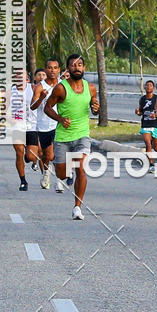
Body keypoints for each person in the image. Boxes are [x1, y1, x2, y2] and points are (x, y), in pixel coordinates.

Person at [44, 54, 99, 220]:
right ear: (68, 69)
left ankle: (77, 207)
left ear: (84, 68)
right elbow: (47, 108)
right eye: (73, 65)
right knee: (61, 174)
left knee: (80, 167)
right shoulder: (61, 88)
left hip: (82, 135)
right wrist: (60, 119)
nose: (77, 68)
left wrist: (96, 108)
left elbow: (94, 106)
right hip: (63, 137)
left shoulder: (90, 88)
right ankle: (64, 172)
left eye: (80, 65)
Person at [30, 58, 61, 190]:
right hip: (44, 125)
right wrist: (42, 98)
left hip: (59, 123)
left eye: (55, 68)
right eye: (49, 68)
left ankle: (60, 181)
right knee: (47, 155)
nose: (52, 70)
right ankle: (46, 173)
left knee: (58, 154)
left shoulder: (63, 85)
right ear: (45, 69)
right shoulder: (40, 87)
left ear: (59, 69)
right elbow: (32, 106)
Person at [10, 71, 41, 191]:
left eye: (21, 77)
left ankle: (30, 159)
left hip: (31, 126)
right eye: (17, 77)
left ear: (26, 78)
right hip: (17, 127)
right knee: (19, 153)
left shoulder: (33, 88)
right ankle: (23, 181)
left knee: (31, 156)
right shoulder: (10, 92)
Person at [136, 79, 157, 171]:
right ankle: (151, 163)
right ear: (145, 87)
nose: (148, 87)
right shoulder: (142, 99)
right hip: (146, 124)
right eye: (147, 85)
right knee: (148, 144)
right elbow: (140, 111)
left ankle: (154, 151)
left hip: (155, 124)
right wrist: (138, 112)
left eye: (150, 85)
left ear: (153, 88)